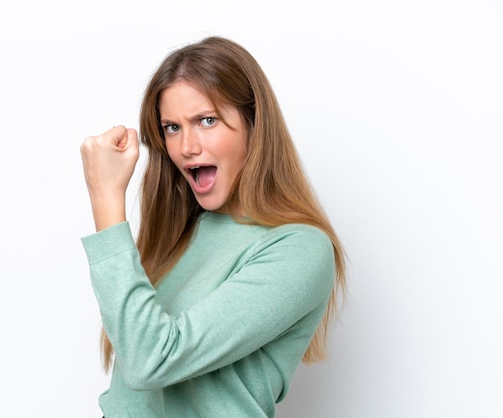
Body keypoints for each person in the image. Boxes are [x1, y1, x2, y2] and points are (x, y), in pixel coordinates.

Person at [79, 35, 346, 417]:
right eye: (172, 127)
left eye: (207, 121)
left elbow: (150, 360)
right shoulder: (177, 235)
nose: (187, 146)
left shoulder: (298, 248)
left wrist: (105, 199)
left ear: (255, 125)